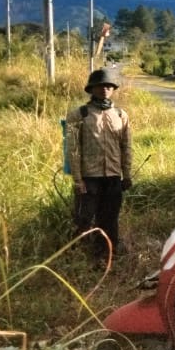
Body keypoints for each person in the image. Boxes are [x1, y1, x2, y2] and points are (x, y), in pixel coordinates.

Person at [66, 67, 132, 261]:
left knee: (110, 219)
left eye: (109, 86)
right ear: (91, 89)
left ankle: (108, 255)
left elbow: (126, 147)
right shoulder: (79, 114)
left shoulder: (121, 115)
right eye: (100, 86)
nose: (105, 89)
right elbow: (73, 149)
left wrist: (127, 175)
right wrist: (78, 180)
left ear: (113, 89)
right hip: (89, 178)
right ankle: (79, 257)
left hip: (113, 177)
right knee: (84, 219)